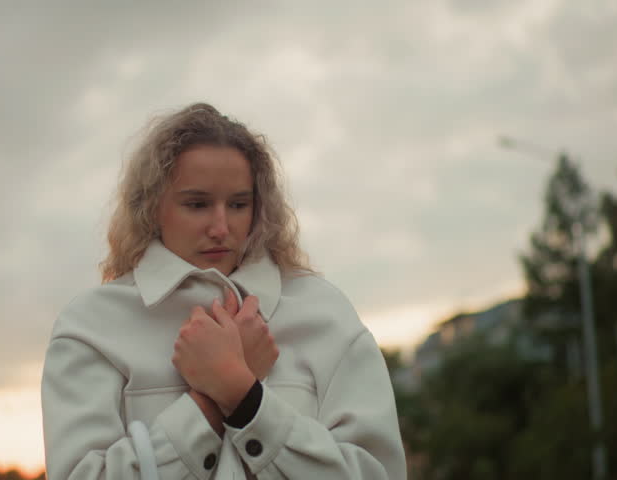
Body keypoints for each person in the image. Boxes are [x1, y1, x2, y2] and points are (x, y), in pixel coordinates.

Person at [41, 103, 407, 479]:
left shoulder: (326, 314)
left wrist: (245, 399)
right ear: (151, 207)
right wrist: (212, 402)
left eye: (237, 204)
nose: (221, 227)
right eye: (197, 204)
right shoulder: (92, 327)